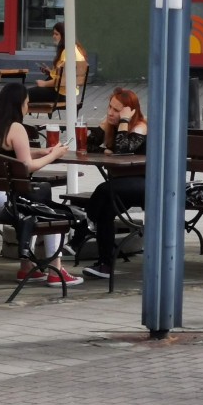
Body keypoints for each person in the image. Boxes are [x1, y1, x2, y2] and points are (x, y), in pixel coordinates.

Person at [0, 83, 81, 287]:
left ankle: (26, 267)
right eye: (27, 103)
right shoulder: (15, 127)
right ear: (19, 104)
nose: (28, 108)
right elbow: (26, 166)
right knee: (49, 210)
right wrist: (54, 155)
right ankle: (56, 269)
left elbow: (12, 155)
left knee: (37, 202)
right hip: (0, 201)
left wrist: (41, 152)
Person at [76, 87, 148, 280]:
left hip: (149, 184)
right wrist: (106, 127)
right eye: (110, 107)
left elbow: (123, 151)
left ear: (130, 111)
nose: (110, 112)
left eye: (117, 110)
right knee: (105, 211)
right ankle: (105, 265)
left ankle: (82, 230)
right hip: (125, 184)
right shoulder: (113, 126)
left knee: (103, 189)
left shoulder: (140, 127)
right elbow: (88, 146)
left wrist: (124, 121)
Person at [27, 22, 88, 104]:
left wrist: (44, 84)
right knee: (21, 93)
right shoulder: (76, 49)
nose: (53, 37)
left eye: (56, 34)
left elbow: (64, 80)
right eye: (53, 34)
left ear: (64, 36)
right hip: (68, 92)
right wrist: (51, 72)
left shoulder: (67, 52)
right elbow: (64, 75)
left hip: (60, 93)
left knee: (21, 95)